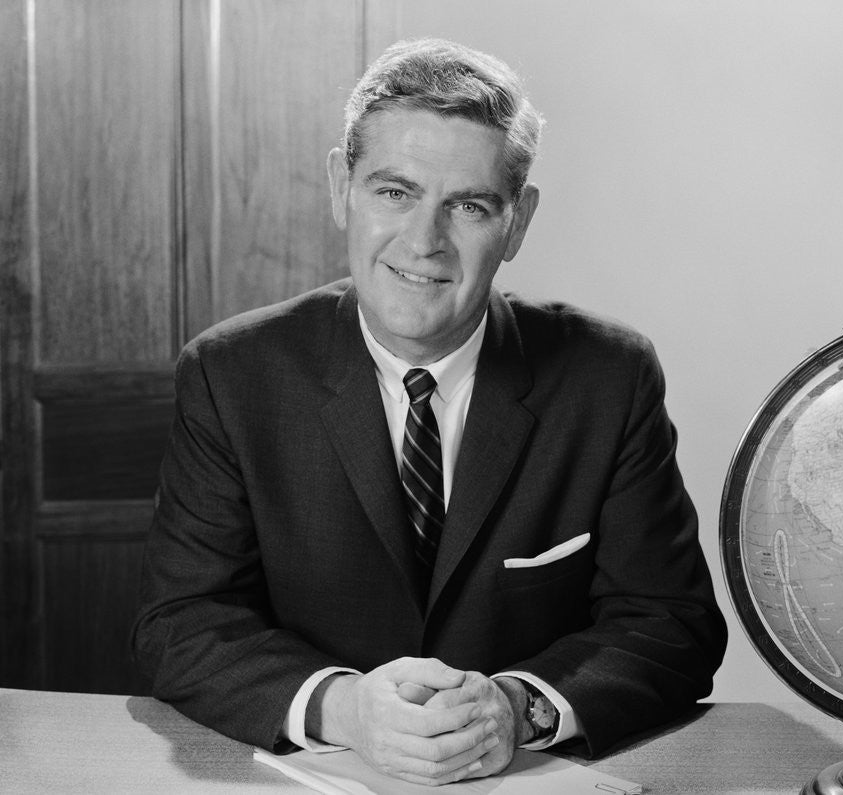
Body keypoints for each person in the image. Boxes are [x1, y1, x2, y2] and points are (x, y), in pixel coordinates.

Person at [132, 37, 727, 786]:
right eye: (394, 191)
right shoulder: (231, 374)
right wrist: (344, 707)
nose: (423, 241)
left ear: (517, 223)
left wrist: (517, 708)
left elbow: (671, 624)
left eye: (469, 206)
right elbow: (181, 621)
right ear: (338, 186)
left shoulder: (610, 378)